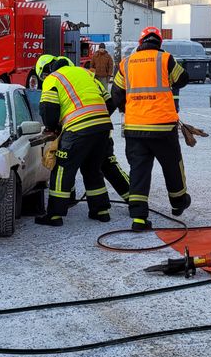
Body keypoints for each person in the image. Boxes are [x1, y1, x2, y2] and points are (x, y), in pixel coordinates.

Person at [111, 26, 191, 231]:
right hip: (163, 127)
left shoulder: (126, 63)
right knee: (172, 166)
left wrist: (124, 108)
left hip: (135, 128)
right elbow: (183, 79)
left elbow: (116, 94)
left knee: (139, 170)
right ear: (159, 43)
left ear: (140, 43)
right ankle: (178, 203)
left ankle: (138, 217)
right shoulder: (165, 59)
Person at [34, 55, 115, 227]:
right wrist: (97, 118)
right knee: (93, 169)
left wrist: (54, 127)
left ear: (46, 71)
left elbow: (49, 110)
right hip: (102, 127)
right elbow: (110, 102)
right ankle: (101, 210)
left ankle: (55, 215)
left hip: (78, 128)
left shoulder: (52, 79)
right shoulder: (85, 73)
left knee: (63, 168)